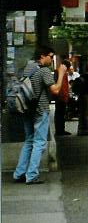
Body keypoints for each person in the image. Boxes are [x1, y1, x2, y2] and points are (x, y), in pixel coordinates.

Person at [13, 45, 68, 184]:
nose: (52, 59)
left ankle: (19, 173)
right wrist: (61, 73)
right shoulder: (44, 71)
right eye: (50, 56)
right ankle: (31, 175)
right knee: (39, 142)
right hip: (40, 109)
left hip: (26, 108)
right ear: (42, 56)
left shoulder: (28, 68)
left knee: (29, 141)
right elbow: (55, 90)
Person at [53, 58, 73, 137]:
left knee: (61, 113)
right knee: (60, 113)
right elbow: (62, 85)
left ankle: (61, 129)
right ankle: (59, 130)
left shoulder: (61, 72)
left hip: (62, 95)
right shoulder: (60, 72)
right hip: (61, 96)